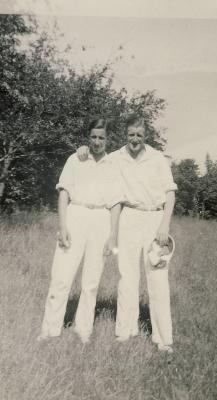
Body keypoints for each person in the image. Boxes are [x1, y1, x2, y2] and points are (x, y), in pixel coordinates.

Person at [77, 114, 177, 352]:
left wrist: (164, 225)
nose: (134, 139)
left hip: (154, 218)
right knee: (127, 276)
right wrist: (82, 151)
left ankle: (163, 339)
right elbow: (95, 158)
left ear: (146, 136)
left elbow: (170, 194)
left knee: (158, 279)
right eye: (131, 134)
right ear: (125, 134)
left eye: (139, 135)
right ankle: (125, 331)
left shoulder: (158, 159)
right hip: (128, 218)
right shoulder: (115, 158)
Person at [37, 118, 122, 344]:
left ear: (107, 139)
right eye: (93, 137)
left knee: (91, 280)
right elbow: (64, 193)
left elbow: (115, 203)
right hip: (76, 215)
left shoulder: (113, 165)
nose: (96, 142)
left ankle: (83, 329)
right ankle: (49, 330)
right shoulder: (75, 159)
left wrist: (112, 235)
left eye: (101, 137)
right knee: (61, 276)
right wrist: (63, 226)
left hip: (101, 219)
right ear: (88, 137)